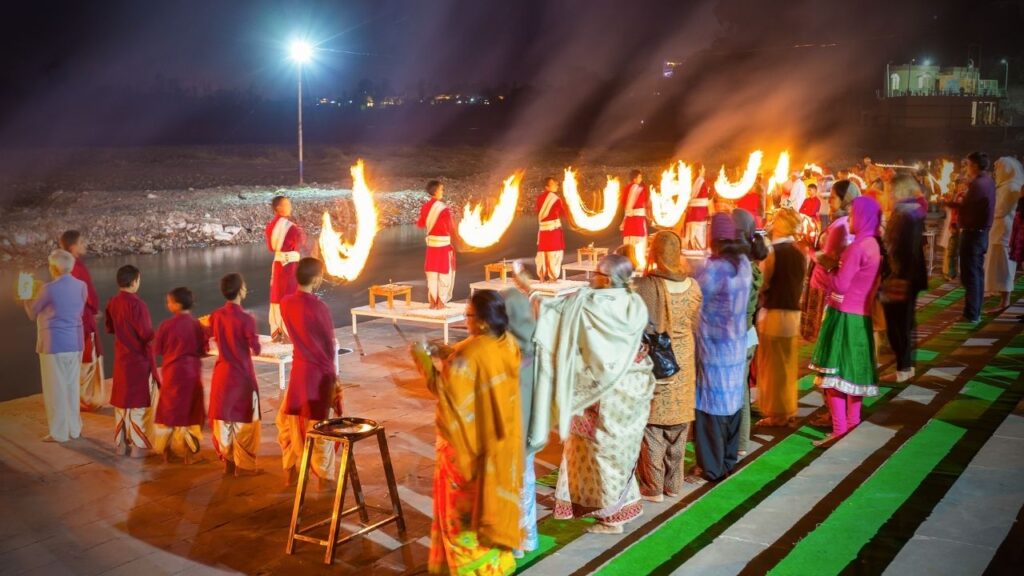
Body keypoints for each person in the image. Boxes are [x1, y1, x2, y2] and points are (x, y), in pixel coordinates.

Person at [536, 254, 654, 534]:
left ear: (609, 278)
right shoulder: (633, 301)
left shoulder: (593, 305)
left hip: (600, 394)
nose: (592, 279)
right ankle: (623, 504)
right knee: (617, 453)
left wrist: (531, 293)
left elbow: (555, 314)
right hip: (631, 388)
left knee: (601, 454)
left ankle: (612, 518)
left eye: (597, 275)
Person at [418, 290, 522, 575]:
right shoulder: (508, 343)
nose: (465, 320)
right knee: (492, 507)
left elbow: (445, 393)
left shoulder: (468, 354)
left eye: (469, 316)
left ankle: (473, 569)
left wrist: (424, 361)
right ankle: (497, 564)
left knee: (463, 518)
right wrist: (447, 352)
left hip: (466, 450)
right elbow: (480, 365)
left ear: (485, 322)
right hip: (500, 446)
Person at [809, 197, 883, 445]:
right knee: (852, 377)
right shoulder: (873, 245)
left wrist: (823, 267)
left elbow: (840, 284)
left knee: (833, 379)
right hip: (861, 317)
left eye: (852, 216)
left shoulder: (857, 247)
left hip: (842, 316)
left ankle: (839, 429)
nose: (848, 221)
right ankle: (852, 425)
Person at [634, 232, 702, 501]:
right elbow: (695, 321)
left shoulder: (647, 286)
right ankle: (674, 484)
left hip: (658, 361)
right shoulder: (694, 286)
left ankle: (653, 486)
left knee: (653, 426)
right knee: (679, 424)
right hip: (684, 359)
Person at [690, 214, 752, 482]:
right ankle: (726, 461)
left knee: (710, 408)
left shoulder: (714, 269)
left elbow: (693, 293)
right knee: (731, 405)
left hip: (714, 349)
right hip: (736, 347)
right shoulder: (744, 264)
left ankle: (711, 467)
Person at [276, 257, 342, 486]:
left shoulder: (285, 303)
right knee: (320, 426)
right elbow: (327, 344)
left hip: (299, 371)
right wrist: (334, 377)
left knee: (291, 422)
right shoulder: (319, 307)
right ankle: (325, 479)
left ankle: (291, 470)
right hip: (318, 374)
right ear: (316, 279)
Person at [22, 249, 86, 443]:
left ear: (54, 268)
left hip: (54, 344)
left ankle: (59, 433)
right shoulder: (81, 285)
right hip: (75, 341)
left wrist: (26, 295)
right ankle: (75, 429)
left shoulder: (48, 289)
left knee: (55, 389)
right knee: (72, 387)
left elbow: (33, 313)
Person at [501, 261, 540, 557]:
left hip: (506, 436)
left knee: (507, 488)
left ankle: (512, 542)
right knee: (526, 482)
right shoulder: (535, 351)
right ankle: (527, 539)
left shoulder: (501, 354)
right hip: (529, 435)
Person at [755, 209, 807, 427]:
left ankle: (777, 414)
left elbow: (763, 283)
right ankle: (787, 408)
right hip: (793, 312)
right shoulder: (799, 252)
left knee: (773, 366)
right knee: (787, 364)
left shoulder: (773, 252)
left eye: (775, 221)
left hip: (775, 311)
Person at [207, 273, 262, 476]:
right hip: (242, 376)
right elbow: (255, 348)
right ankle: (244, 465)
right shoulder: (246, 318)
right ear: (240, 291)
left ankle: (228, 461)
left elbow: (207, 337)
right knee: (244, 423)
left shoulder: (216, 316)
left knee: (224, 420)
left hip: (222, 374)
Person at [105, 265, 157, 457]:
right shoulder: (138, 305)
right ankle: (137, 447)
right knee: (138, 402)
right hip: (138, 359)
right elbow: (146, 334)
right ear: (135, 281)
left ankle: (121, 444)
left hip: (121, 357)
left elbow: (110, 327)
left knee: (122, 401)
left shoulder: (113, 302)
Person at [881, 176, 929, 383]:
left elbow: (903, 249)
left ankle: (903, 368)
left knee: (898, 324)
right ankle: (906, 366)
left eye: (890, 191)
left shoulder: (904, 214)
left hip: (901, 276)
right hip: (909, 275)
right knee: (905, 323)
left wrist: (895, 275)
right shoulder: (913, 211)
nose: (888, 195)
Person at [153, 287, 207, 464]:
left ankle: (166, 451)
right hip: (191, 374)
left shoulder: (166, 326)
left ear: (176, 305)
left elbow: (158, 349)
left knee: (168, 412)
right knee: (192, 413)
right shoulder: (196, 325)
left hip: (171, 374)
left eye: (169, 301)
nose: (167, 304)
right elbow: (203, 349)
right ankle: (189, 455)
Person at [802, 180, 860, 343]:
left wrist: (807, 249)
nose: (828, 201)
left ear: (845, 200)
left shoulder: (841, 226)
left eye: (833, 198)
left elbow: (829, 260)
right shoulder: (844, 222)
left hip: (826, 285)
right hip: (828, 284)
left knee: (825, 336)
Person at [732, 209, 768, 456]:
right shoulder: (752, 267)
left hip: (737, 336)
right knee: (741, 389)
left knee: (734, 392)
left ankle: (737, 442)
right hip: (748, 334)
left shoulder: (739, 268)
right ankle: (742, 442)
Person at [59, 230, 106, 411]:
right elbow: (88, 293)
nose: (84, 245)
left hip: (70, 318)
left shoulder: (62, 267)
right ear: (73, 247)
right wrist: (94, 310)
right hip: (83, 318)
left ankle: (78, 397)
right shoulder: (77, 266)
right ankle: (88, 399)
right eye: (81, 242)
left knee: (78, 356)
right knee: (89, 356)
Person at [951, 152, 996, 323]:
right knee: (975, 273)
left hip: (973, 234)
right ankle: (974, 311)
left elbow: (968, 208)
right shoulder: (988, 182)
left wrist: (949, 203)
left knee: (971, 275)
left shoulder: (979, 184)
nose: (966, 168)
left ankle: (972, 314)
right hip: (980, 233)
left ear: (975, 165)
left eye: (968, 164)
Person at [266, 195, 306, 341]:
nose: (290, 207)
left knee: (277, 296)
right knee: (289, 296)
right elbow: (300, 242)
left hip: (277, 265)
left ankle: (278, 332)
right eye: (287, 204)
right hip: (288, 267)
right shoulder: (290, 227)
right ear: (279, 208)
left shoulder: (271, 226)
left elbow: (272, 247)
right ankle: (290, 333)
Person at [986, 157, 1024, 310]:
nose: (996, 172)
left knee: (1005, 266)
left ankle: (1005, 300)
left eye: (998, 169)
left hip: (1004, 232)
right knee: (998, 266)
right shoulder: (1004, 186)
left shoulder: (1011, 187)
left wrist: (987, 207)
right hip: (998, 231)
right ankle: (1001, 298)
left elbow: (1001, 210)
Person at [416, 180, 456, 309]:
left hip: (431, 246)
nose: (442, 192)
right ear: (437, 191)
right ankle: (441, 302)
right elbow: (451, 227)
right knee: (445, 274)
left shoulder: (425, 207)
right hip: (443, 246)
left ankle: (433, 302)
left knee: (432, 274)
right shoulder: (443, 208)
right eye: (442, 189)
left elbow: (421, 224)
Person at [535, 176, 565, 282]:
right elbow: (561, 212)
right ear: (546, 186)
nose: (557, 185)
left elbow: (538, 213)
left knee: (543, 253)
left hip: (543, 230)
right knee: (554, 253)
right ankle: (553, 277)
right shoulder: (555, 199)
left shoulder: (539, 198)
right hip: (553, 230)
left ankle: (542, 276)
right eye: (554, 184)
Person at [620, 169, 650, 267]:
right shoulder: (635, 188)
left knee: (632, 240)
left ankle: (631, 261)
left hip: (633, 218)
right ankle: (636, 262)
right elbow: (629, 206)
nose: (641, 179)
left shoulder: (629, 188)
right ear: (635, 178)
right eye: (640, 177)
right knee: (637, 241)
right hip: (635, 219)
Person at [682, 164, 711, 250]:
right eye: (703, 169)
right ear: (699, 171)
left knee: (690, 239)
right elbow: (706, 199)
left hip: (690, 215)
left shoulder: (689, 182)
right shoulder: (702, 181)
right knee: (699, 242)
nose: (704, 170)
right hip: (699, 215)